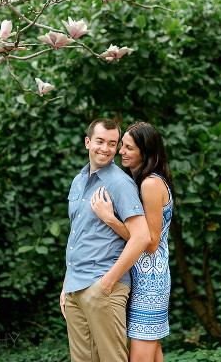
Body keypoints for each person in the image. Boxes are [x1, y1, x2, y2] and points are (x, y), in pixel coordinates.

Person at [60, 118, 151, 362]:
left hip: (103, 285)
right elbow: (77, 235)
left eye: (113, 143)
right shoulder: (78, 181)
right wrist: (66, 284)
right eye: (100, 141)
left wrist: (107, 282)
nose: (106, 148)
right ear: (88, 142)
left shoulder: (120, 183)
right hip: (75, 286)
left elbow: (141, 237)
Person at [90, 121, 174, 362]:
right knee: (152, 355)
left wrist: (110, 219)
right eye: (122, 146)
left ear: (145, 152)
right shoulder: (140, 181)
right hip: (139, 276)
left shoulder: (150, 184)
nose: (120, 152)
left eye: (128, 148)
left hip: (150, 281)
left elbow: (150, 243)